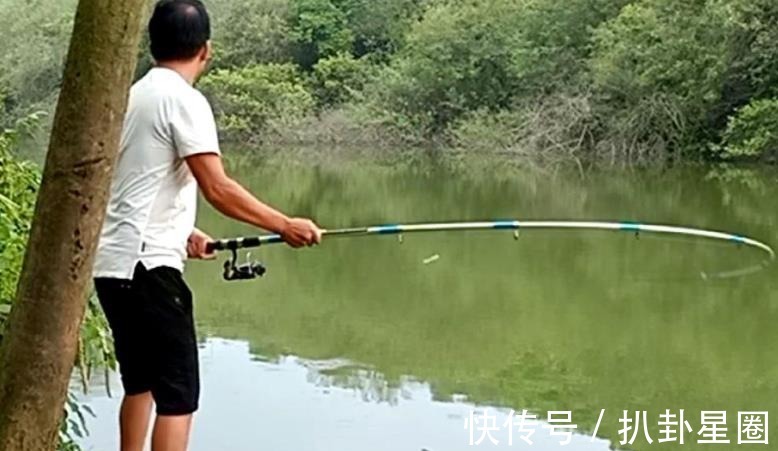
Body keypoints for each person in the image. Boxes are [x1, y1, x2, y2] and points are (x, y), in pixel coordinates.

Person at [92, 1, 322, 450]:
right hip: (150, 272)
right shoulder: (184, 100)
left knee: (139, 383)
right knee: (179, 398)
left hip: (114, 264)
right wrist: (285, 223)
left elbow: (134, 184)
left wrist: (184, 233)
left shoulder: (133, 97)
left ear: (152, 44)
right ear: (206, 50)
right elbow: (217, 187)